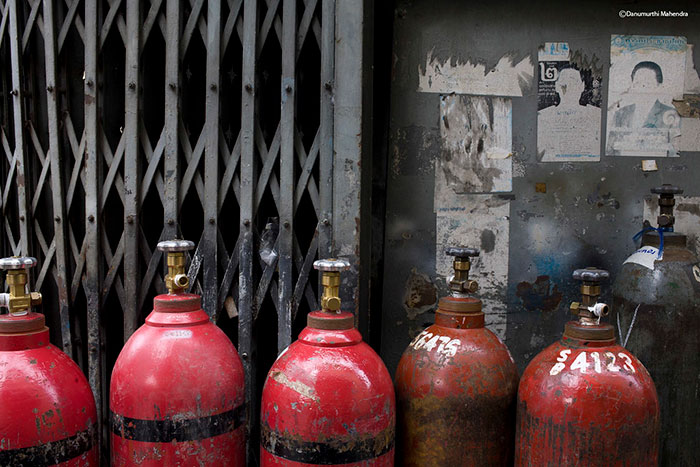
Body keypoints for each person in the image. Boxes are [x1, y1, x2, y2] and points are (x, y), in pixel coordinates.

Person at [612, 61, 679, 129]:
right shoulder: (620, 114)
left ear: (659, 86)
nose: (642, 88)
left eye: (648, 84)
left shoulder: (670, 113)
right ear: (632, 85)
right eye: (637, 83)